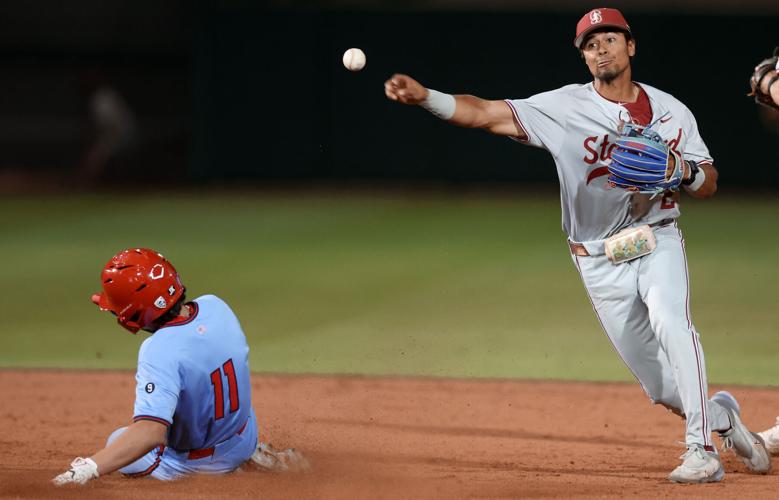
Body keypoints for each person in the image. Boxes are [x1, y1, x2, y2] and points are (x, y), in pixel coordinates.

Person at [384, 7, 770, 484]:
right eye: (590, 44)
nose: (600, 48)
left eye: (610, 38)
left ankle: (701, 449)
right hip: (597, 259)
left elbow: (708, 182)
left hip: (656, 238)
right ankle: (722, 417)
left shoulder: (673, 111)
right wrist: (427, 97)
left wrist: (682, 170)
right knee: (661, 388)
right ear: (584, 58)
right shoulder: (565, 108)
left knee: (671, 320)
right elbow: (484, 113)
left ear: (631, 46)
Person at [53, 248, 308, 485]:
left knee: (118, 440)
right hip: (244, 436)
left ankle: (229, 469)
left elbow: (150, 433)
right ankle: (252, 455)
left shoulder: (159, 349)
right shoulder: (216, 305)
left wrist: (87, 468)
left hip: (205, 463)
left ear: (134, 313)